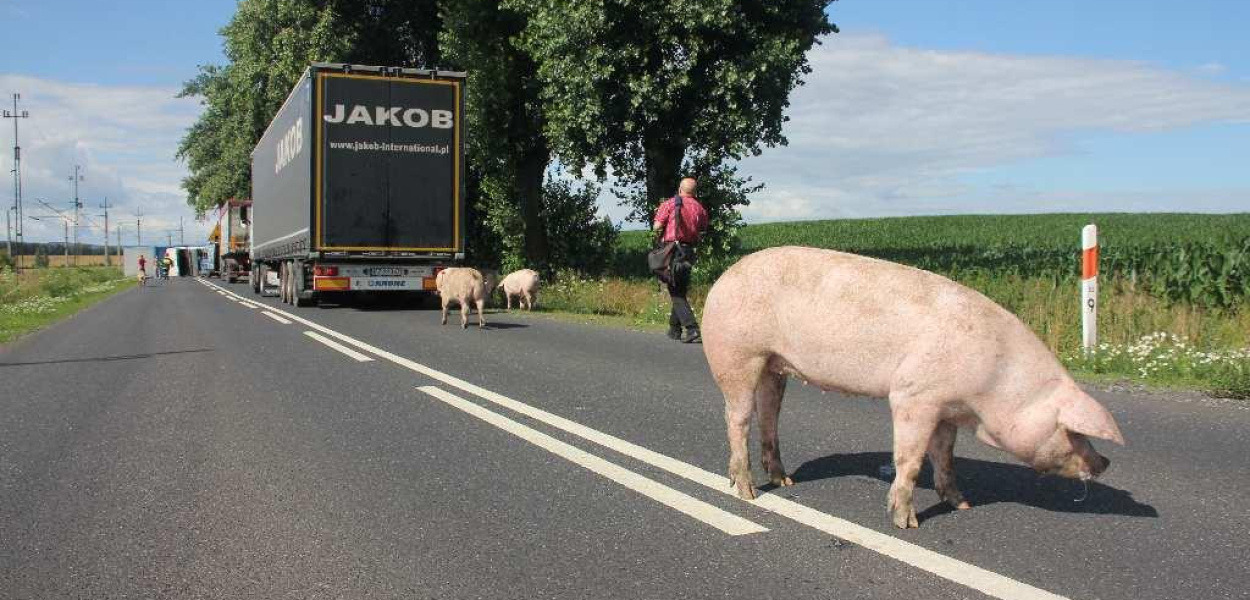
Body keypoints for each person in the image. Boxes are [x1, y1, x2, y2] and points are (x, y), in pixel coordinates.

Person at [652, 177, 709, 343]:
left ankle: (692, 329)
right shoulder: (700, 208)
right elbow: (703, 229)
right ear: (695, 192)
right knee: (680, 288)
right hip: (689, 251)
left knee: (676, 292)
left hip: (673, 251)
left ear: (679, 189)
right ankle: (674, 329)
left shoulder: (670, 204)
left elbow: (656, 227)